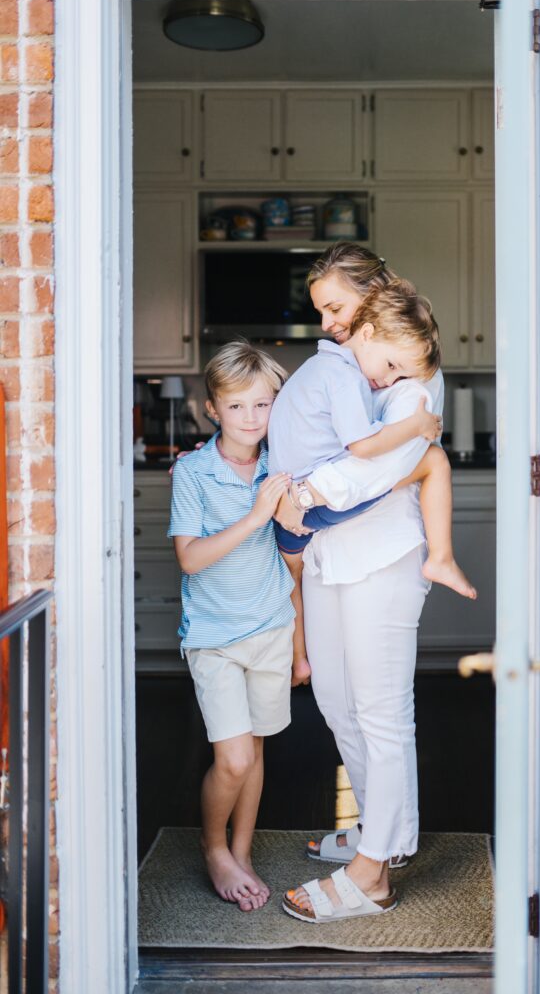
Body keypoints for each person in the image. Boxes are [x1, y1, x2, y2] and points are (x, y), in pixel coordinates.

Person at [278, 242, 471, 923]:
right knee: (337, 701)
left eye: (336, 307)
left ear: (376, 294)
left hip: (382, 559)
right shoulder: (351, 369)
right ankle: (384, 834)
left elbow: (378, 469)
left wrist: (303, 493)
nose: (328, 323)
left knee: (381, 712)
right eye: (322, 311)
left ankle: (373, 875)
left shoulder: (411, 378)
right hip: (329, 555)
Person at [270, 277, 477, 686]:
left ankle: (298, 659)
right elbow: (364, 449)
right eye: (392, 368)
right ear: (368, 332)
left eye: (335, 308)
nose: (390, 380)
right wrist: (418, 424)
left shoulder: (320, 366)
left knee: (288, 580)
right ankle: (441, 557)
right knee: (434, 460)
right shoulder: (346, 377)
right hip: (308, 507)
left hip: (295, 504)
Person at [168, 342, 295, 912]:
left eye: (262, 404)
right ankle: (214, 846)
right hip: (215, 639)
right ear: (212, 409)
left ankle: (242, 851)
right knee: (234, 758)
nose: (250, 417)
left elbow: (295, 559)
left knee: (256, 750)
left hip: (272, 628)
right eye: (237, 406)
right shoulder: (193, 472)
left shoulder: (281, 466)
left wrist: (301, 645)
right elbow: (190, 558)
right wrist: (256, 515)